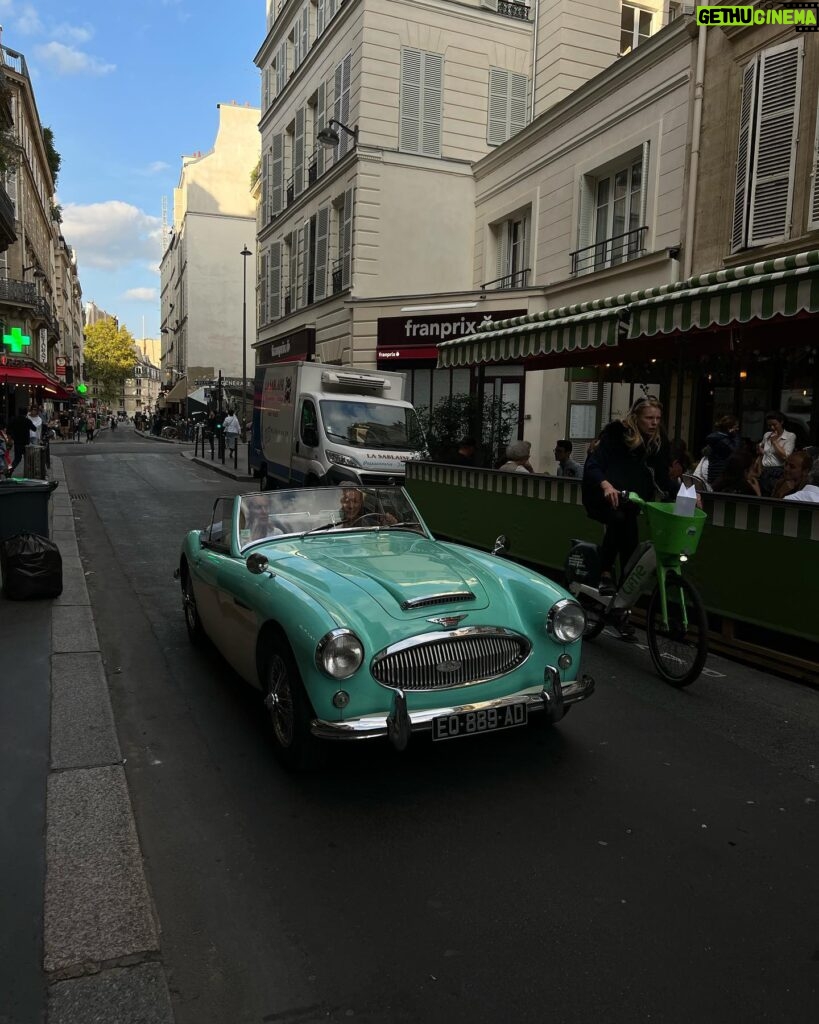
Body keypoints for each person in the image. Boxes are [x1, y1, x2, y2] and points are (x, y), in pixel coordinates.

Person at [582, 396, 671, 601]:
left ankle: (621, 606)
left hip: (630, 500)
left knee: (630, 548)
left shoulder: (657, 442)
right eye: (649, 418)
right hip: (602, 495)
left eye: (658, 418)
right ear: (636, 417)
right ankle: (604, 572)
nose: (654, 423)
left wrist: (689, 494)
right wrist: (606, 485)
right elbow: (593, 466)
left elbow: (663, 479)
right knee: (618, 518)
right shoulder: (616, 435)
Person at [757, 410, 795, 496]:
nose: (772, 428)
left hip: (778, 472)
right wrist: (761, 451)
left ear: (781, 422)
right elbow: (760, 448)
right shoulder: (767, 435)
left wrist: (774, 442)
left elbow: (785, 457)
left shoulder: (790, 436)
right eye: (769, 425)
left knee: (774, 495)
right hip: (764, 471)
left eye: (774, 425)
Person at [704, 415, 740, 487]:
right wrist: (735, 436)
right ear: (729, 428)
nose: (737, 429)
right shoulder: (723, 441)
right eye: (736, 427)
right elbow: (736, 450)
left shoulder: (717, 438)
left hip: (713, 473)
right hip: (721, 475)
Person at [7, 405, 36, 476]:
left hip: (17, 443)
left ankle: (9, 470)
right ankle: (28, 473)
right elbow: (34, 429)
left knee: (16, 459)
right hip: (26, 443)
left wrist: (10, 439)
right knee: (28, 459)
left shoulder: (14, 420)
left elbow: (8, 430)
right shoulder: (27, 421)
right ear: (26, 413)